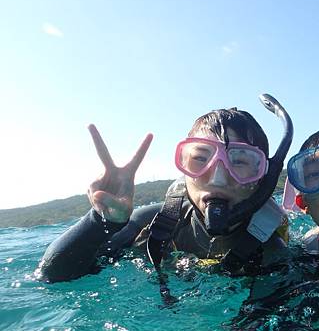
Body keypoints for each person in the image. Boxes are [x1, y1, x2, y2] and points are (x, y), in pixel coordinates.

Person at [38, 95, 294, 289]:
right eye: (200, 159)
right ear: (183, 167)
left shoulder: (270, 248)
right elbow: (54, 275)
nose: (217, 178)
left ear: (263, 177)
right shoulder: (152, 224)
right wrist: (101, 220)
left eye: (239, 161)